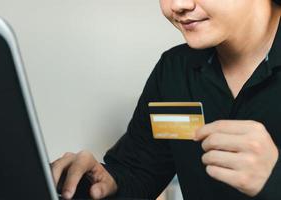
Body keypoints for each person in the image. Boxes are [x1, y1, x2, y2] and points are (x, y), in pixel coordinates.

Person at [52, 0, 281, 199]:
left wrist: (274, 179)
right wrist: (101, 182)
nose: (177, 5)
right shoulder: (174, 71)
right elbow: (139, 175)